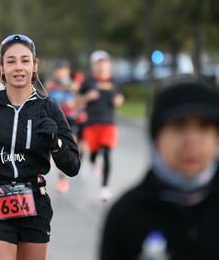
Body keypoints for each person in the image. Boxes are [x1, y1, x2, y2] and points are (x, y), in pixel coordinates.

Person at [0, 34, 81, 260]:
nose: (18, 67)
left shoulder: (49, 109)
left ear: (35, 65)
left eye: (24, 60)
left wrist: (55, 144)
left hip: (35, 202)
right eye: (11, 61)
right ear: (1, 67)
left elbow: (72, 166)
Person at [99, 79, 219, 260]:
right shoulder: (127, 215)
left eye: (204, 127)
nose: (192, 140)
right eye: (178, 126)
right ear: (156, 137)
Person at [78, 50, 124, 201]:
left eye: (104, 62)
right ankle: (92, 162)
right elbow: (77, 100)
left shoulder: (114, 81)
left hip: (108, 123)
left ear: (108, 64)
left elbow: (119, 97)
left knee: (107, 153)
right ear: (93, 65)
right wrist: (87, 97)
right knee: (94, 152)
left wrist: (119, 101)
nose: (101, 65)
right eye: (98, 62)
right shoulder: (88, 81)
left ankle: (104, 188)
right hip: (91, 123)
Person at [45, 59, 83, 193]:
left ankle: (76, 161)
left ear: (67, 71)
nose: (61, 73)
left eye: (63, 70)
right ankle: (62, 180)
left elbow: (80, 102)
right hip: (56, 120)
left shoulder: (74, 86)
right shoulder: (50, 86)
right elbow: (45, 102)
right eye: (58, 70)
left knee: (74, 145)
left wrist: (74, 104)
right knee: (59, 148)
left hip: (71, 119)